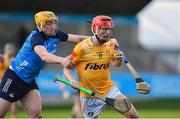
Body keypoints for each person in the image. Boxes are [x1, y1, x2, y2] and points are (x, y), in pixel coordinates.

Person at [0, 11, 89, 118]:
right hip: (14, 78)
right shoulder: (36, 37)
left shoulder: (55, 34)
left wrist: (97, 40)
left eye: (54, 22)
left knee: (36, 115)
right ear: (40, 25)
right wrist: (62, 60)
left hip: (29, 81)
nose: (53, 26)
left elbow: (78, 39)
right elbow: (44, 55)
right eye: (48, 23)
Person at [63, 15, 140, 118]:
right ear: (95, 29)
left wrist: (119, 59)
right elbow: (67, 68)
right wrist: (72, 80)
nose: (107, 32)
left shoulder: (112, 44)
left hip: (109, 90)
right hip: (89, 97)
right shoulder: (81, 48)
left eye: (109, 29)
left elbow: (116, 65)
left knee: (134, 115)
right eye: (103, 29)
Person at [0, 43, 17, 119]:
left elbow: (12, 66)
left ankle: (13, 116)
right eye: (8, 49)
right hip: (1, 81)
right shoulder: (2, 57)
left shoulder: (14, 58)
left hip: (10, 81)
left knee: (12, 100)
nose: (10, 51)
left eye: (11, 49)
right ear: (6, 50)